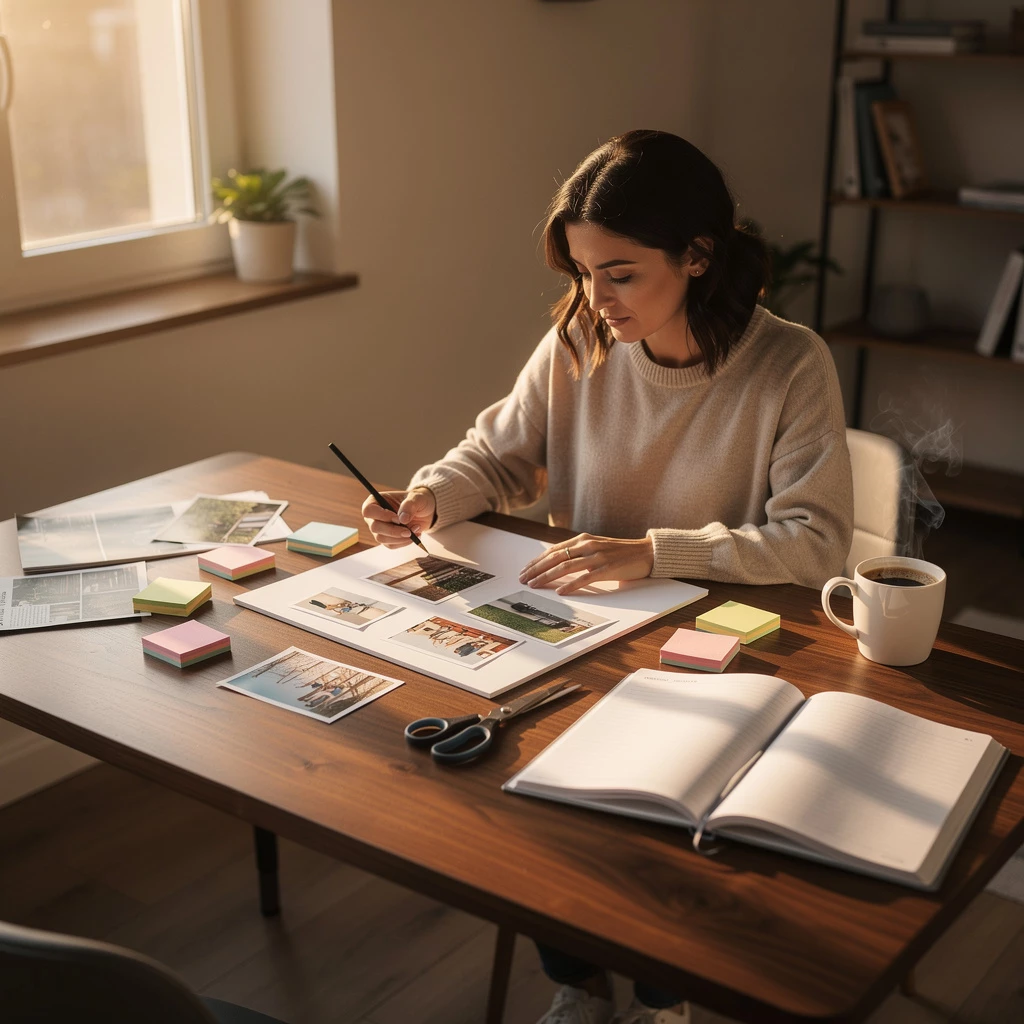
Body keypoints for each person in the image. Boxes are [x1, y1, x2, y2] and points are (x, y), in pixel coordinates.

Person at [362, 130, 854, 1024]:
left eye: (620, 273)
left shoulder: (790, 364)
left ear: (697, 255)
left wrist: (657, 552)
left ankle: (664, 999)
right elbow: (497, 456)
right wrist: (430, 498)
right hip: (580, 635)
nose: (597, 298)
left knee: (651, 823)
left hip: (712, 652)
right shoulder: (580, 338)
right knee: (520, 798)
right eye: (585, 273)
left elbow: (815, 543)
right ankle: (578, 986)